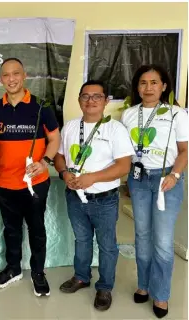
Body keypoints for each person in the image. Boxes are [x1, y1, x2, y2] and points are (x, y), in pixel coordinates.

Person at [54, 80, 134, 311]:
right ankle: (81, 277)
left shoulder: (115, 129)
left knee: (107, 245)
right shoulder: (70, 126)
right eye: (85, 96)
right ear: (79, 100)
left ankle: (105, 287)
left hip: (104, 199)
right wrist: (63, 171)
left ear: (106, 101)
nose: (90, 101)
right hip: (74, 197)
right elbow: (59, 156)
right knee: (81, 240)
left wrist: (94, 178)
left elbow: (124, 166)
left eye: (97, 96)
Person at [0, 58, 60, 296]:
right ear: (0, 79)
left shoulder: (42, 106)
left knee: (37, 229)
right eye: (6, 75)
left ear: (24, 75)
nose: (11, 79)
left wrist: (45, 162)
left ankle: (38, 272)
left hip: (35, 184)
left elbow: (54, 139)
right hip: (4, 184)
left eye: (15, 73)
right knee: (11, 229)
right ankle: (13, 268)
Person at [121, 64, 188, 318]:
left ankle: (161, 295)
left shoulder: (175, 114)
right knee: (142, 235)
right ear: (137, 87)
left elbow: (184, 151)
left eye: (153, 82)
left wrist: (175, 175)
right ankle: (143, 285)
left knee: (161, 240)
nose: (148, 88)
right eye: (142, 83)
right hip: (138, 180)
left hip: (165, 180)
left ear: (163, 86)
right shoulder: (128, 114)